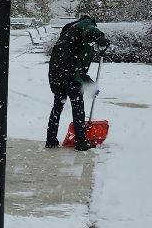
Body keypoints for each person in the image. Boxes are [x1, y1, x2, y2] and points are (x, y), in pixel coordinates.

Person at [46, 15, 108, 150]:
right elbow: (88, 29)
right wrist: (99, 36)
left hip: (57, 74)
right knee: (77, 106)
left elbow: (77, 65)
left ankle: (50, 139)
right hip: (69, 75)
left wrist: (90, 84)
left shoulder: (69, 35)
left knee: (58, 105)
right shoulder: (86, 24)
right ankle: (81, 142)